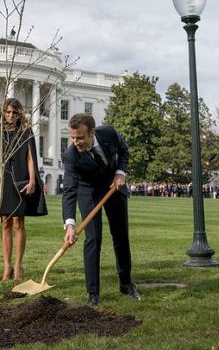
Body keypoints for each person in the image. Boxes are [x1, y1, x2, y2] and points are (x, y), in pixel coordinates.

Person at [62, 113, 140, 306]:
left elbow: (123, 150)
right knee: (93, 239)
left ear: (92, 133)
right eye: (72, 137)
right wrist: (70, 224)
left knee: (121, 236)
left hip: (114, 186)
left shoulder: (109, 133)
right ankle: (93, 293)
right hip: (88, 192)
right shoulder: (71, 156)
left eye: (80, 137)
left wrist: (120, 173)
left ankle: (126, 284)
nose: (76, 142)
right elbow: (70, 191)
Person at [0, 98, 47, 281]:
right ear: (3, 112)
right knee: (5, 222)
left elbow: (31, 157)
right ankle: (6, 266)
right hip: (4, 179)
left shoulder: (25, 131)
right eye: (7, 112)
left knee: (18, 222)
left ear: (19, 114)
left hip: (21, 177)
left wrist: (32, 180)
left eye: (14, 112)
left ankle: (18, 266)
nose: (10, 115)